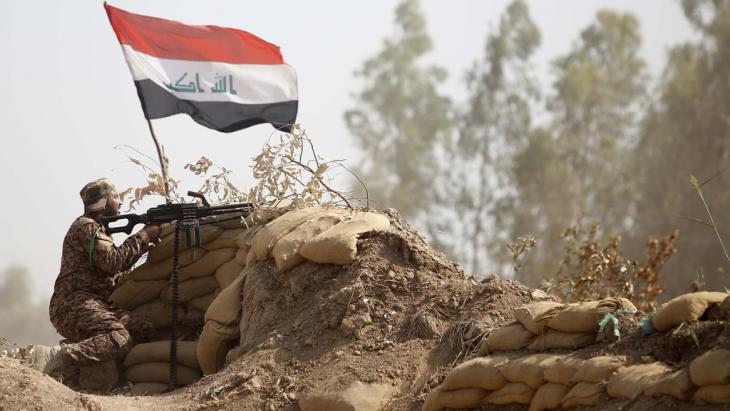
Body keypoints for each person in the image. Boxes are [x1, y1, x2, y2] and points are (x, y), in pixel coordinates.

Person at [42, 178, 162, 377]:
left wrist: (141, 248)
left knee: (144, 329)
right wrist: (143, 236)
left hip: (95, 303)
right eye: (115, 197)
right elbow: (112, 262)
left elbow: (112, 269)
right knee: (119, 337)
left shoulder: (99, 229)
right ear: (102, 203)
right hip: (72, 304)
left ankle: (96, 370)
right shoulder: (86, 227)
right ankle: (64, 357)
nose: (120, 202)